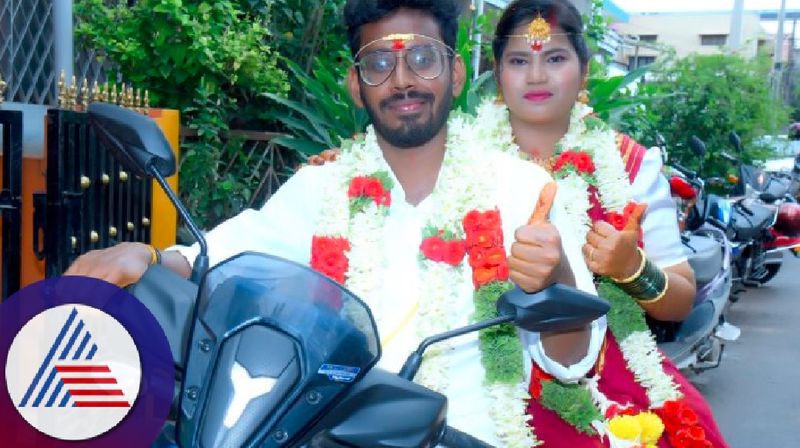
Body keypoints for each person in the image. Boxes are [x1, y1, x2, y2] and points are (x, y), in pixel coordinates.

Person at [66, 1, 606, 446]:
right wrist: (153, 257)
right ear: (355, 85)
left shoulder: (523, 190)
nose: (402, 81)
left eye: (423, 58)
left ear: (457, 74)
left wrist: (555, 274)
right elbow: (229, 249)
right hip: (324, 434)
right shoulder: (321, 187)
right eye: (378, 64)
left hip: (467, 434)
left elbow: (571, 363)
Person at [473, 0, 729, 446]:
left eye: (554, 58)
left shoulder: (631, 165)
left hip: (608, 374)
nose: (536, 76)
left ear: (584, 71)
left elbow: (681, 301)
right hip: (479, 371)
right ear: (497, 74)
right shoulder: (459, 160)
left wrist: (632, 268)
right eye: (518, 60)